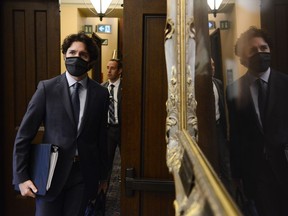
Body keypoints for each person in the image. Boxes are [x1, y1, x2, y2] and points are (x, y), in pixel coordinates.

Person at [12, 32, 110, 216]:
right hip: (49, 173)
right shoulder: (46, 88)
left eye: (83, 55)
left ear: (90, 61)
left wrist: (104, 177)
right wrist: (21, 177)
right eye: (72, 53)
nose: (76, 57)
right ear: (65, 54)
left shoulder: (101, 94)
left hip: (84, 174)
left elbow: (101, 137)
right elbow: (24, 135)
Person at [226, 26, 288, 216]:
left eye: (264, 48)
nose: (260, 53)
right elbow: (236, 134)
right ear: (244, 59)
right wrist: (236, 175)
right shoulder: (234, 90)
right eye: (253, 50)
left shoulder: (285, 83)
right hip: (256, 173)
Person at [101, 58, 122, 215]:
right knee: (107, 161)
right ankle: (104, 193)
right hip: (108, 130)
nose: (109, 71)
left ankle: (125, 192)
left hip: (124, 129)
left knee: (127, 160)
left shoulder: (126, 87)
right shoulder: (102, 88)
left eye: (112, 68)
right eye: (107, 68)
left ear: (119, 70)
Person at [211, 58, 232, 194]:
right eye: (209, 64)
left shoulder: (217, 83)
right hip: (203, 133)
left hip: (218, 129)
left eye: (213, 64)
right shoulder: (195, 86)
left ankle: (229, 197)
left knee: (225, 165)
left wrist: (225, 133)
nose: (212, 67)